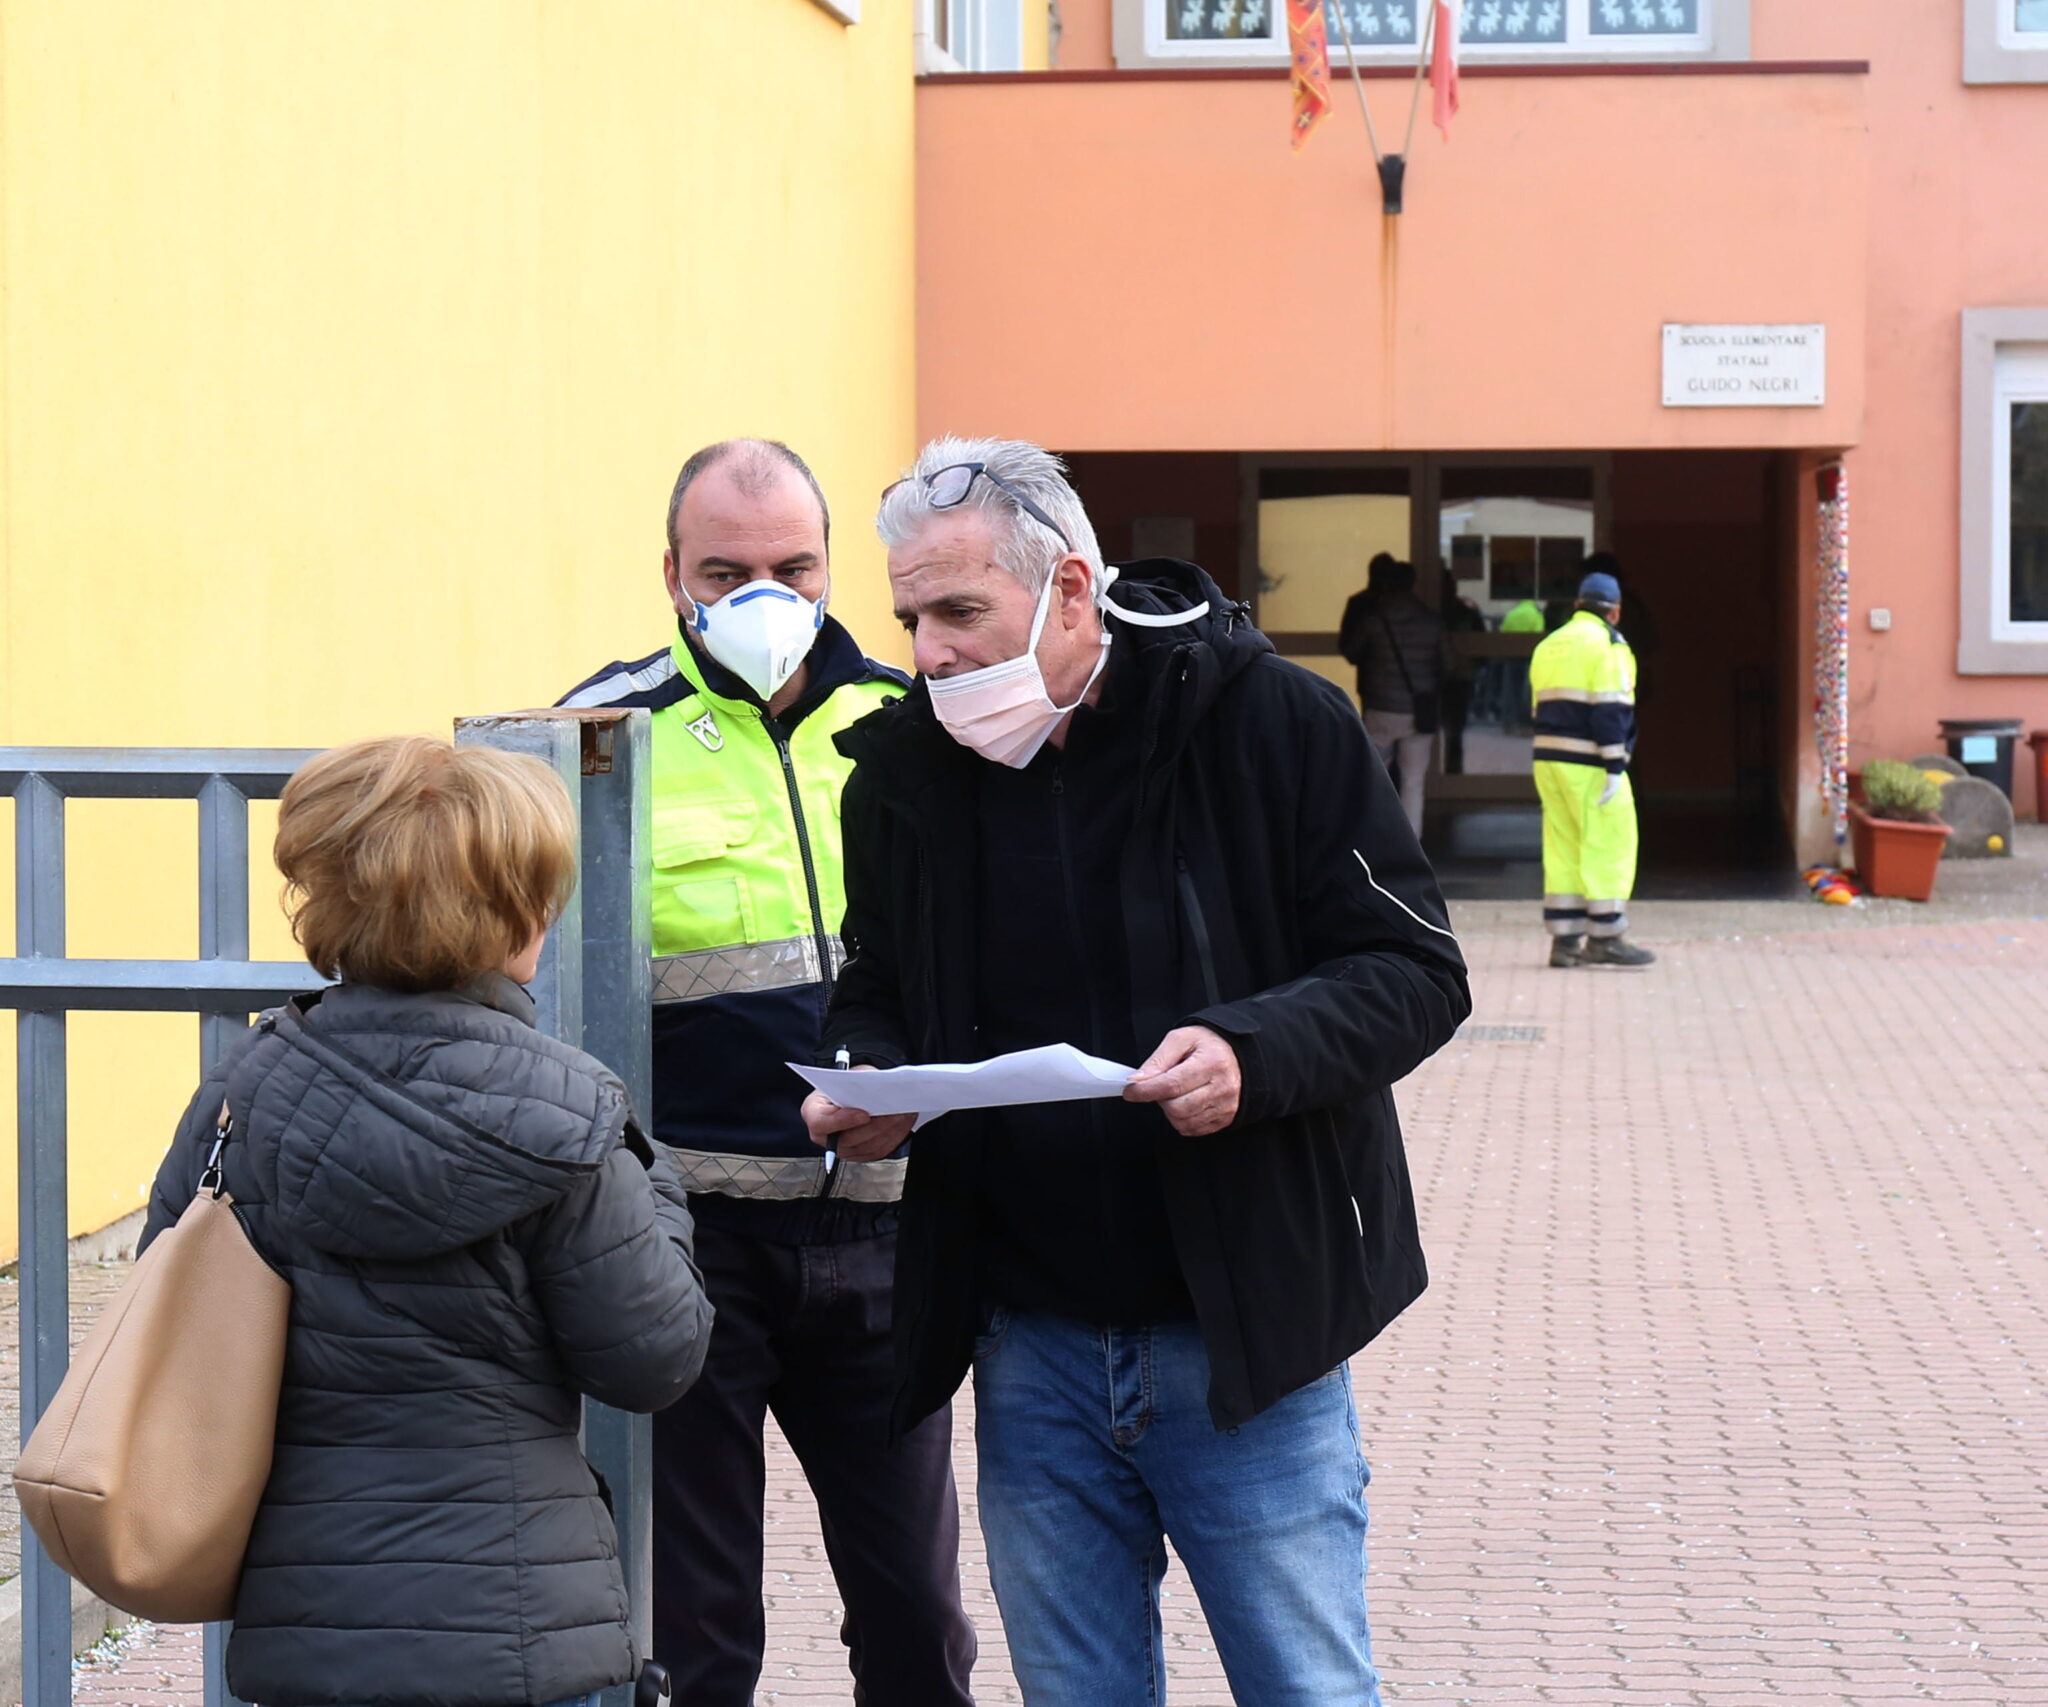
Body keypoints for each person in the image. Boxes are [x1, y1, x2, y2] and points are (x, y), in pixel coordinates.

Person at [801, 436, 1471, 1707]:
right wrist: (868, 1078)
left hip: (1244, 1340)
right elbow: (876, 980)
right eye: (909, 621)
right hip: (1028, 1346)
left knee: (1308, 1691)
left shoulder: (1270, 723)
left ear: (1068, 589)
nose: (928, 653)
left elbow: (1415, 970)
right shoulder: (902, 773)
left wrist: (1249, 1052)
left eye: (959, 613)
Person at [142, 735, 713, 1707]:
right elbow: (652, 1358)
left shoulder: (243, 1092)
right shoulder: (566, 1111)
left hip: (308, 1630)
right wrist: (653, 1182)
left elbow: (171, 1327)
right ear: (516, 913)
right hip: (521, 1634)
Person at [557, 439, 975, 1705]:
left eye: (793, 568)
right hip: (692, 1246)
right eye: (723, 571)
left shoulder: (920, 722)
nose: (763, 596)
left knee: (917, 1621)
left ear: (831, 565)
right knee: (695, 1633)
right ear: (671, 576)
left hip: (886, 1238)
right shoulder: (599, 736)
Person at [1530, 568, 1656, 967]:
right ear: (1615, 612)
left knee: (1562, 845)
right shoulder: (1609, 646)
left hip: (1548, 760)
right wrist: (1615, 765)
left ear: (1578, 606)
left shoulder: (1549, 644)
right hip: (1591, 765)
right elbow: (1611, 711)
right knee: (1609, 844)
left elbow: (1535, 707)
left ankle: (1565, 940)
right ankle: (1606, 935)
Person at [1339, 555, 1446, 836]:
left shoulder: (1374, 619)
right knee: (1413, 781)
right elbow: (1448, 662)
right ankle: (1411, 843)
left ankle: (1375, 839)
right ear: (1413, 584)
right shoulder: (1431, 621)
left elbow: (1352, 651)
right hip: (1419, 709)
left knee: (1375, 778)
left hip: (1381, 706)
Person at [1438, 567, 1486, 774]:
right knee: (1454, 731)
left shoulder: (1435, 612)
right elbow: (1482, 646)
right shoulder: (1466, 611)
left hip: (1449, 678)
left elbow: (1481, 645)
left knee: (1449, 731)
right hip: (1458, 677)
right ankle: (1451, 773)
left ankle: (1450, 774)